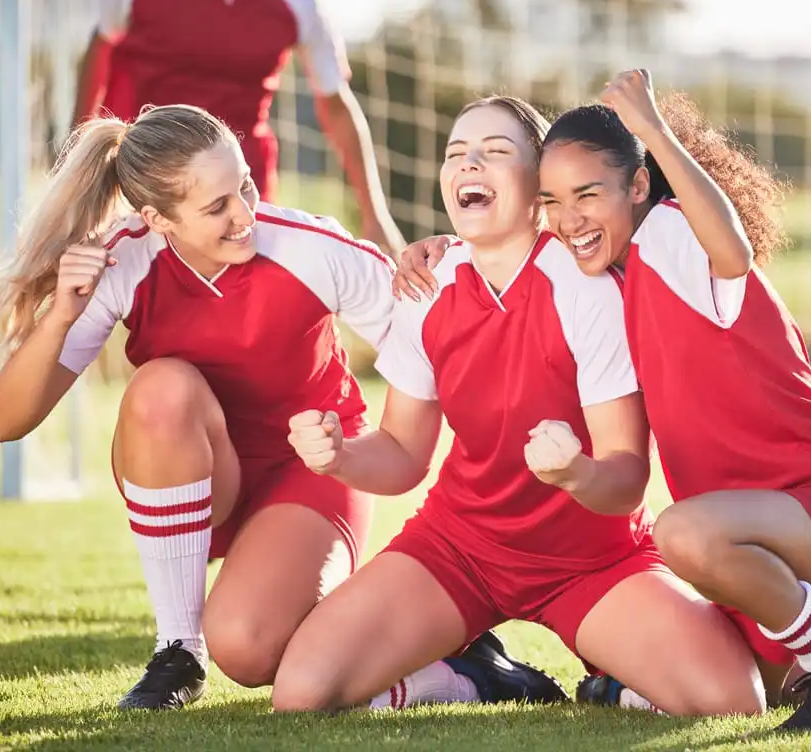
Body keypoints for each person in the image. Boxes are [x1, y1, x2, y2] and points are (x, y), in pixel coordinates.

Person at [392, 73, 811, 732]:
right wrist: (442, 250)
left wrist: (655, 134)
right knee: (755, 683)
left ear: (639, 186)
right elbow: (528, 247)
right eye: (552, 200)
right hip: (750, 535)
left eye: (588, 194)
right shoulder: (609, 270)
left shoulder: (673, 237)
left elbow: (730, 249)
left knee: (682, 534)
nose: (568, 217)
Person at [270, 96, 766, 716]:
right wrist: (340, 455)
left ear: (540, 188)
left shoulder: (587, 287)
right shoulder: (428, 286)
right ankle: (469, 678)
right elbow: (401, 456)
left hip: (591, 560)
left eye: (496, 152)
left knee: (731, 700)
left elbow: (626, 477)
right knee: (301, 695)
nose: (469, 164)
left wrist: (576, 473)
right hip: (460, 548)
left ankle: (614, 682)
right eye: (456, 154)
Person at [0, 104, 396, 711]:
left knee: (247, 650)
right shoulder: (124, 260)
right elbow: (6, 422)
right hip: (199, 471)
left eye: (243, 185)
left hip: (311, 470)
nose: (244, 214)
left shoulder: (310, 246)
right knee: (160, 387)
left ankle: (446, 669)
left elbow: (433, 343)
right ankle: (177, 651)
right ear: (156, 218)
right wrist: (61, 312)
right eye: (216, 206)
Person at [72, 0, 405, 256]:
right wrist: (76, 169)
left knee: (237, 307)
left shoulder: (296, 0)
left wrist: (375, 215)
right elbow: (98, 57)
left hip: (240, 185)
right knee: (139, 302)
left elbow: (336, 105)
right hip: (144, 177)